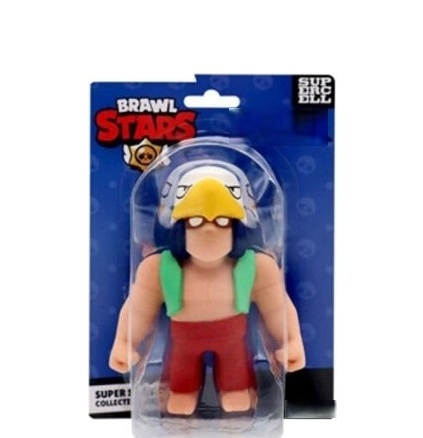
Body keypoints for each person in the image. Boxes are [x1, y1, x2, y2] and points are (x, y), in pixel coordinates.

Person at [110, 165, 305, 415]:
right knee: (180, 390)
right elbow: (139, 309)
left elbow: (277, 307)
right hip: (183, 342)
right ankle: (182, 393)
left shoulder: (255, 267)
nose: (209, 230)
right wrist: (125, 343)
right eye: (195, 221)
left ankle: (235, 391)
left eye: (223, 221)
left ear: (240, 228)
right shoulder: (159, 268)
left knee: (237, 387)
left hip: (234, 341)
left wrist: (291, 341)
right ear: (177, 228)